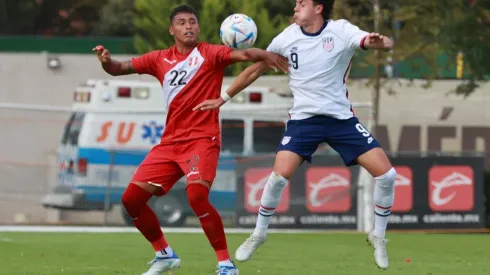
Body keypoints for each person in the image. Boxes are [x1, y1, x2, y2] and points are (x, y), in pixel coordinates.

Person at [193, 0, 395, 270]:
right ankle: (259, 234)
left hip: (340, 120)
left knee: (387, 175)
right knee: (278, 178)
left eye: (302, 2)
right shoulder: (287, 37)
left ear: (319, 8)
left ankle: (378, 236)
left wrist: (379, 41)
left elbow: (375, 43)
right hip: (303, 121)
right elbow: (256, 68)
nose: (296, 6)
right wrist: (223, 98)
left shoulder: (341, 31)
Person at [93, 4, 288, 275]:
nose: (189, 26)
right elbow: (119, 68)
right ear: (172, 29)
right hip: (170, 144)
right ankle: (164, 254)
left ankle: (225, 264)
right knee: (131, 200)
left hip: (202, 140)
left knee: (196, 195)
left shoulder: (211, 53)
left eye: (193, 22)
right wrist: (106, 61)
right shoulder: (158, 59)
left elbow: (245, 54)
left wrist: (265, 54)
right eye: (182, 22)